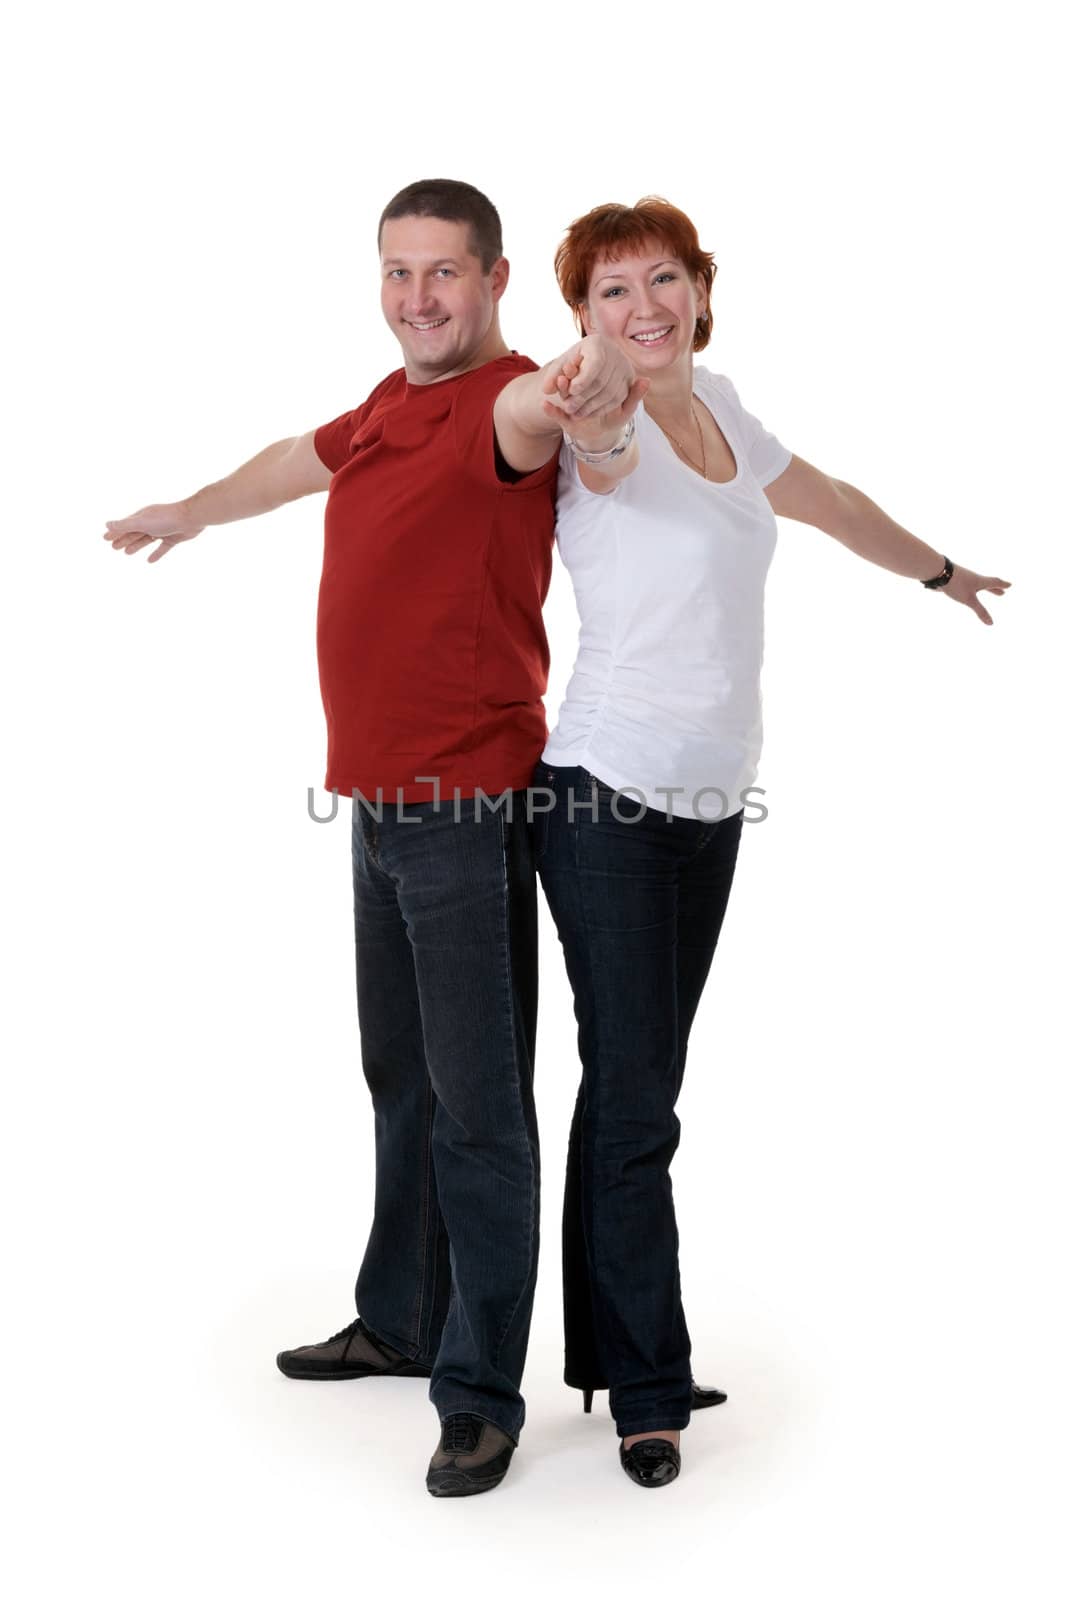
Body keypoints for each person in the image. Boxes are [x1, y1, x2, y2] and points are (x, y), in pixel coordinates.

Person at [103, 178, 644, 1498]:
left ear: (496, 279)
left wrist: (592, 369)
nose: (418, 297)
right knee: (401, 1080)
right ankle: (404, 1316)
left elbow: (543, 410)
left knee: (477, 1113)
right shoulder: (392, 407)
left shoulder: (507, 402)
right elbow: (296, 462)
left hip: (464, 809)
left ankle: (481, 1395)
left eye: (443, 273)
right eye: (398, 272)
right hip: (379, 807)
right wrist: (188, 507)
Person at [532, 196, 1012, 1489]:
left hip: (707, 807)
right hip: (604, 797)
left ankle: (600, 1340)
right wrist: (593, 404)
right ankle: (646, 1387)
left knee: (629, 1083)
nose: (645, 308)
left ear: (697, 287)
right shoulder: (600, 420)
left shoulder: (729, 407)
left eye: (663, 281)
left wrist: (939, 571)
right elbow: (613, 443)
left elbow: (834, 501)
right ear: (581, 319)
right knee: (641, 1103)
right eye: (614, 292)